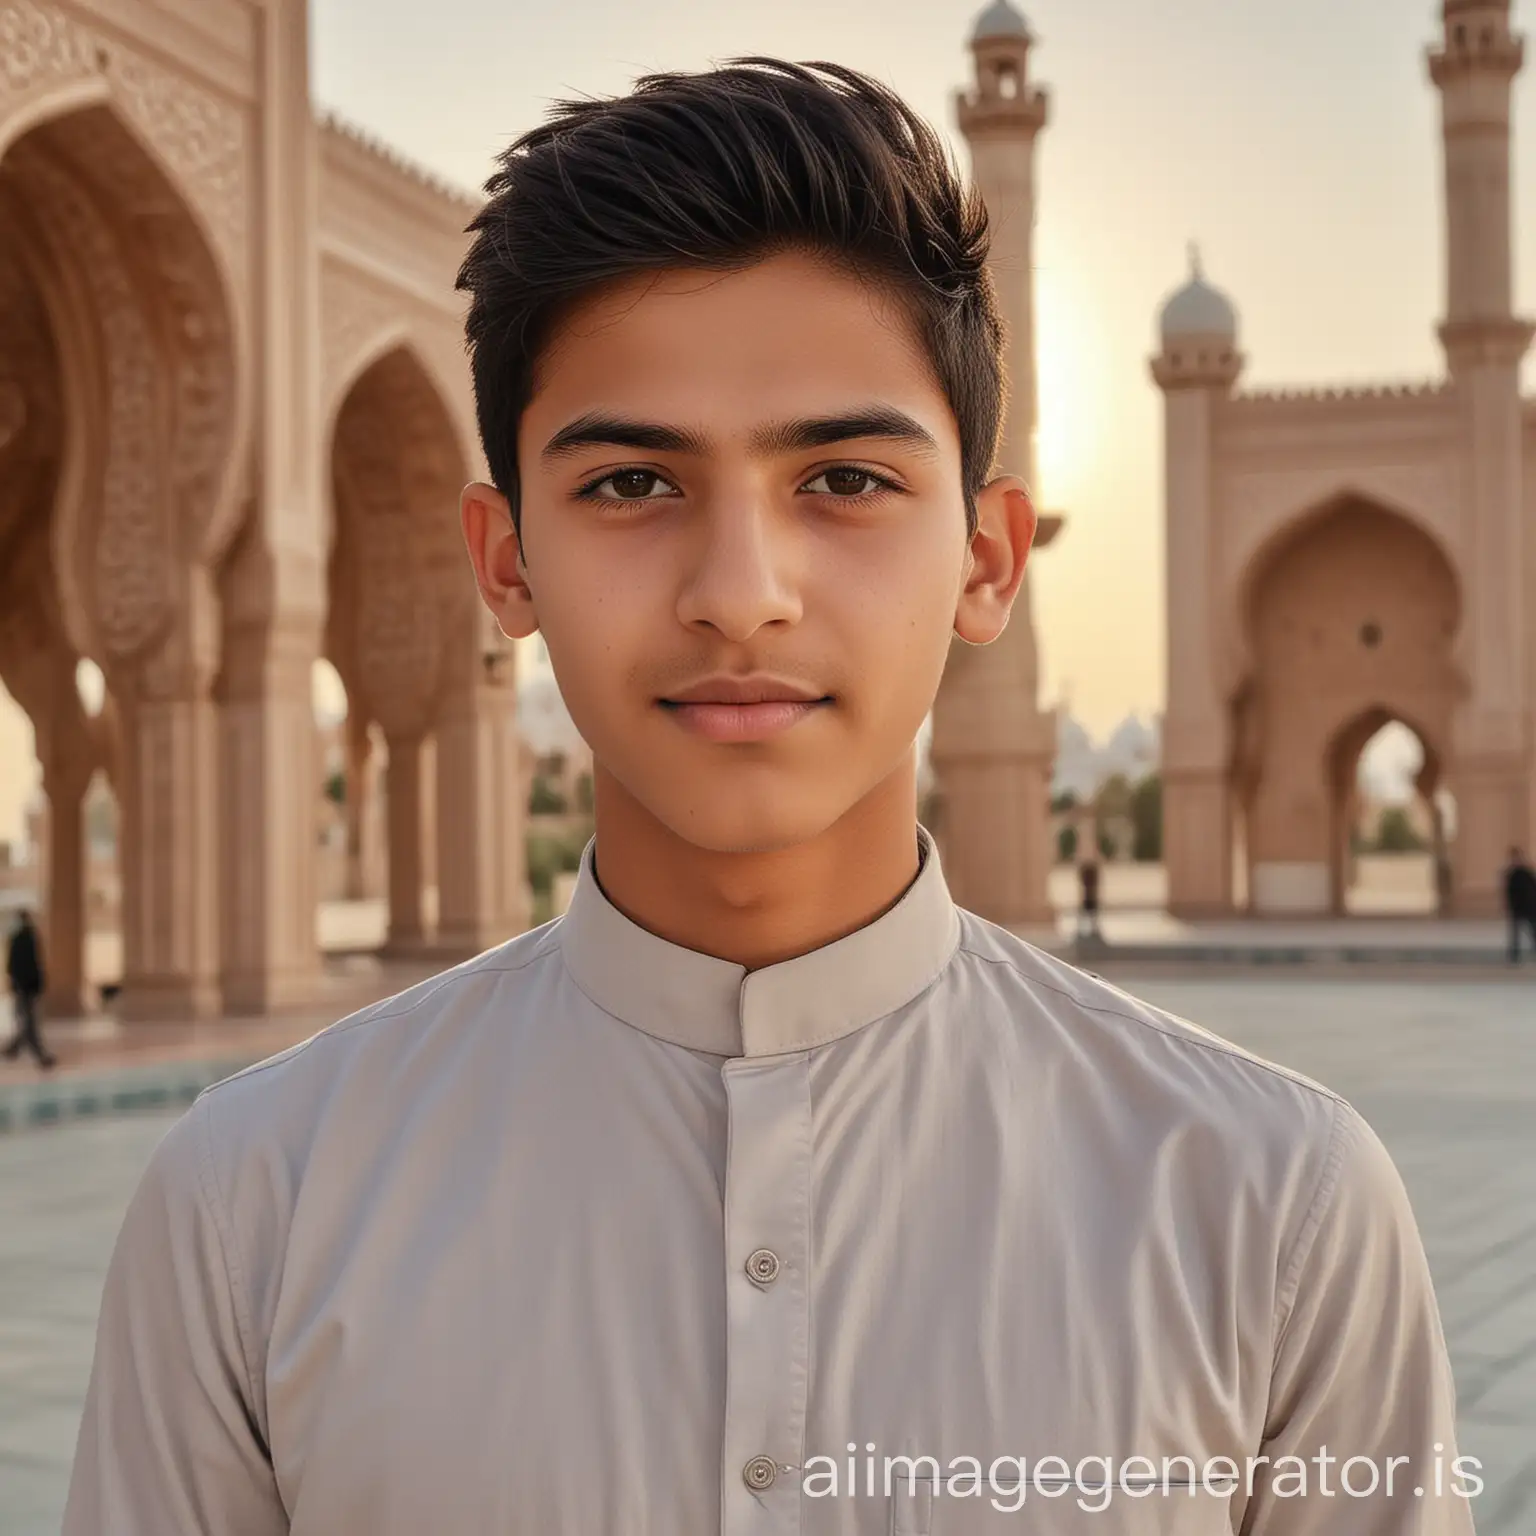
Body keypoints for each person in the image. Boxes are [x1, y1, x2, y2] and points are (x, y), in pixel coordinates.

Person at [64, 59, 1475, 1535]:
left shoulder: (1274, 1215)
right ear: (503, 561)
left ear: (990, 558)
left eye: (847, 480)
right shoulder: (253, 1214)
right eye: (630, 485)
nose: (740, 597)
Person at [3, 909, 55, 1070]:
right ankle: (39, 1055)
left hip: (25, 987)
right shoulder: (24, 938)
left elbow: (21, 965)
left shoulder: (24, 938)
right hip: (26, 987)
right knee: (29, 1022)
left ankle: (15, 1049)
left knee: (27, 1021)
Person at [1504, 846, 1536, 963]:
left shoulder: (1527, 873)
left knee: (1533, 931)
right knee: (1515, 934)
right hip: (1517, 907)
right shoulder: (1511, 874)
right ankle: (1514, 955)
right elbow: (1509, 892)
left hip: (1530, 907)